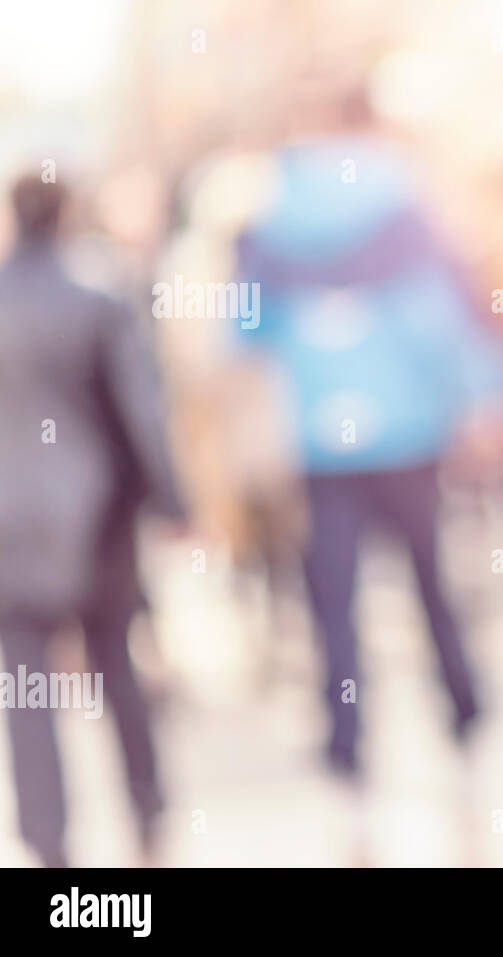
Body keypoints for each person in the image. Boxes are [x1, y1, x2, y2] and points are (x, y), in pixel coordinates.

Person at [234, 85, 503, 780]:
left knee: (333, 598)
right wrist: (485, 394)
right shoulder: (406, 200)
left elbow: (243, 330)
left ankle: (346, 741)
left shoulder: (268, 212)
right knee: (431, 579)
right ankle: (461, 713)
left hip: (318, 434)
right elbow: (447, 315)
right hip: (408, 427)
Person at [0, 173, 186, 866]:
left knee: (25, 689)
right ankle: (146, 813)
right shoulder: (100, 296)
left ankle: (48, 840)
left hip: (11, 527)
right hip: (96, 521)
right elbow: (143, 410)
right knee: (118, 670)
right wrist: (172, 499)